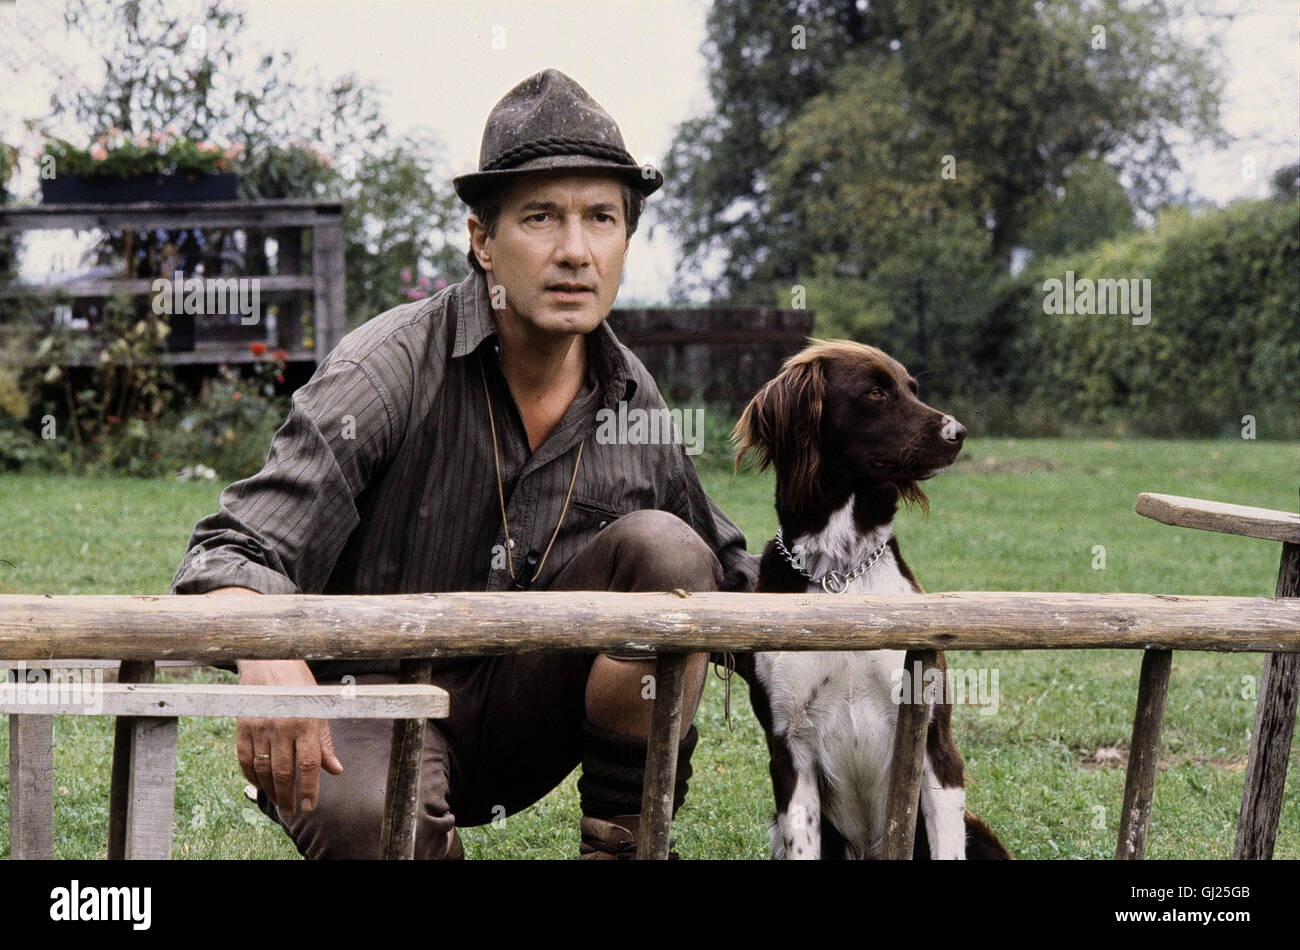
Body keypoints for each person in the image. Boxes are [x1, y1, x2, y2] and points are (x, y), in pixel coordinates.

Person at [170, 68, 757, 859]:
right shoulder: (386, 368)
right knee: (373, 821)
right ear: (482, 240)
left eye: (602, 218)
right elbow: (228, 552)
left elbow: (723, 572)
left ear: (627, 238)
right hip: (371, 707)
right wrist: (268, 651)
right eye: (541, 218)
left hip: (526, 713)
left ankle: (622, 846)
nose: (575, 251)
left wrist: (852, 600)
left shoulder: (630, 395)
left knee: (668, 554)